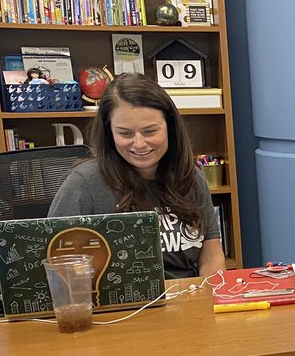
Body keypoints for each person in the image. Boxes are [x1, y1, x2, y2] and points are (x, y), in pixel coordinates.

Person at [48, 73, 225, 279]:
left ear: (170, 128)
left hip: (187, 299)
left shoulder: (191, 176)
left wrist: (209, 296)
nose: (139, 144)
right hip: (121, 305)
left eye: (150, 131)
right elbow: (55, 263)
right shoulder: (83, 183)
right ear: (109, 133)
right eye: (125, 133)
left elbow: (211, 254)